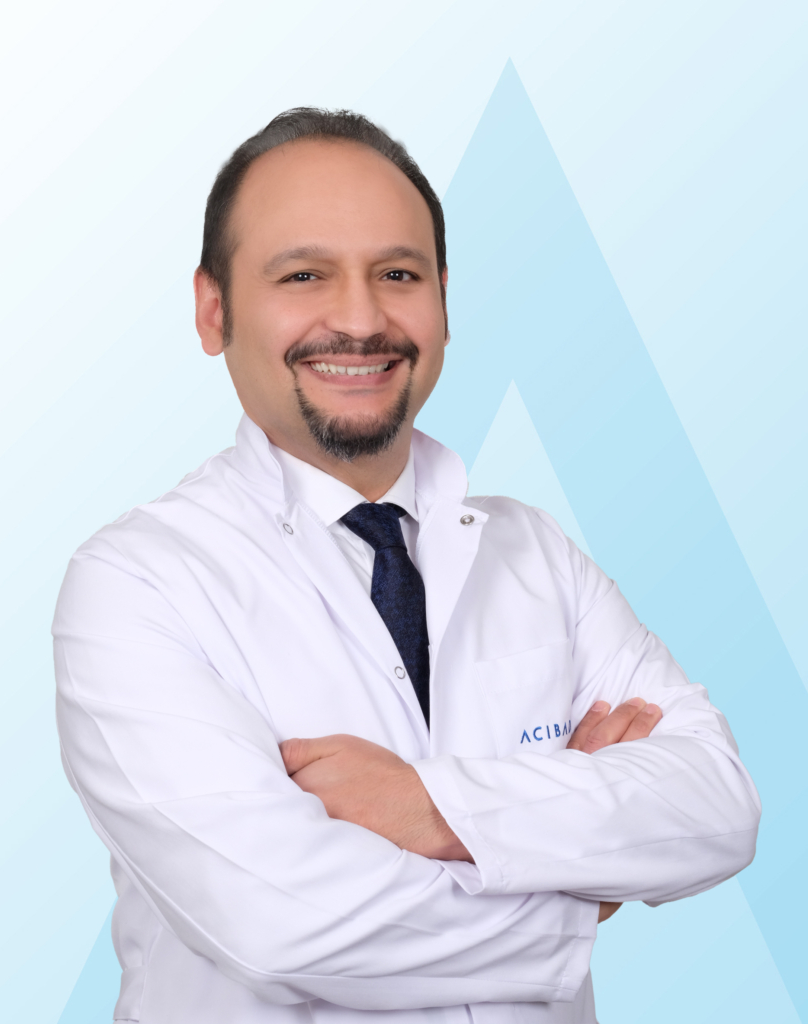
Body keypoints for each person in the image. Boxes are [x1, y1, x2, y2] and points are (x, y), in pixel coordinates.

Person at [53, 108, 760, 1024]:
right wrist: (581, 887)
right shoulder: (135, 583)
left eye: (397, 274)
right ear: (213, 309)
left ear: (443, 302)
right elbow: (288, 925)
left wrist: (429, 804)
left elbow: (719, 806)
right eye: (303, 275)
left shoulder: (534, 551)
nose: (360, 319)